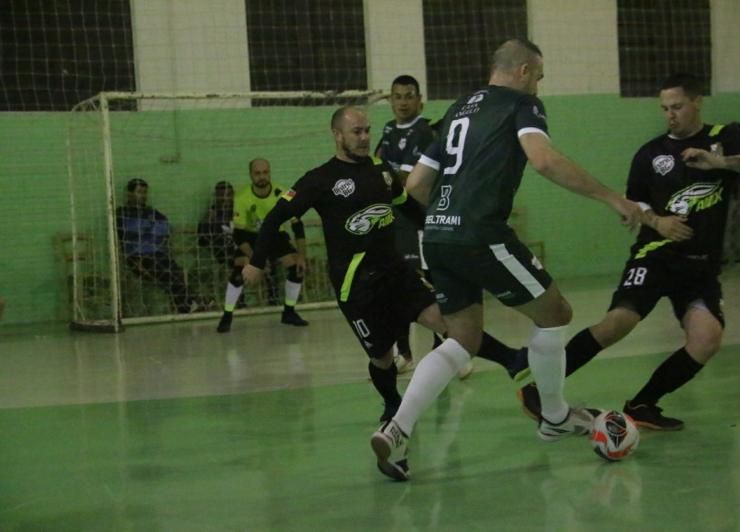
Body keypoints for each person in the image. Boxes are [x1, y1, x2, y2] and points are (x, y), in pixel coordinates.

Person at [370, 38, 642, 481]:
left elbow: (417, 183)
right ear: (522, 72)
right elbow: (544, 160)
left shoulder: (459, 108)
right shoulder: (521, 104)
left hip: (435, 235)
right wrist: (612, 198)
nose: (538, 85)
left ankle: (397, 428)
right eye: (538, 76)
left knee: (462, 336)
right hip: (480, 233)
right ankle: (554, 416)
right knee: (555, 312)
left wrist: (445, 216)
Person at [518, 73, 740, 431]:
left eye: (677, 106)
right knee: (616, 324)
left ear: (697, 101)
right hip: (655, 256)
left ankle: (642, 405)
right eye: (665, 108)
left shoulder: (725, 138)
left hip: (701, 266)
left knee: (707, 339)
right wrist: (658, 222)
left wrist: (720, 163)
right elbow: (635, 202)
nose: (670, 114)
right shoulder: (651, 152)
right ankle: (539, 389)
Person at [243, 106, 527, 430]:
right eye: (357, 132)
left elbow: (408, 208)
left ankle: (513, 360)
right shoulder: (319, 180)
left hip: (396, 273)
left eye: (367, 130)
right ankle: (392, 404)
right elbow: (274, 219)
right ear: (337, 135)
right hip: (356, 286)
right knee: (381, 356)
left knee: (445, 321)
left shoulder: (382, 170)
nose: (365, 138)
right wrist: (256, 261)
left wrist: (445, 231)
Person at [375, 74, 458, 375]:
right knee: (398, 285)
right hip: (395, 222)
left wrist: (384, 176)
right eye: (397, 96)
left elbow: (405, 181)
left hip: (421, 220)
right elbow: (379, 168)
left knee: (429, 286)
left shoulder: (424, 132)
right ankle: (405, 353)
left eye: (409, 96)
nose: (403, 102)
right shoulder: (386, 130)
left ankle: (448, 353)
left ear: (419, 99)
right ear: (391, 100)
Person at [216, 159, 309, 332]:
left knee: (297, 266)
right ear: (251, 175)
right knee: (240, 270)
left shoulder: (285, 193)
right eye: (257, 173)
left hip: (276, 236)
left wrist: (302, 255)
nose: (262, 177)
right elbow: (239, 234)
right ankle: (227, 315)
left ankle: (289, 312)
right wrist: (255, 260)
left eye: (265, 172)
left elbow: (298, 226)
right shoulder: (242, 197)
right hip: (251, 238)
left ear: (270, 173)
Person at [116, 178, 206, 314]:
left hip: (157, 254)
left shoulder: (151, 211)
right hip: (136, 257)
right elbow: (130, 232)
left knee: (175, 271)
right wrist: (149, 227)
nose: (143, 195)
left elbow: (166, 228)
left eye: (145, 192)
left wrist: (145, 228)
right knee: (169, 273)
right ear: (129, 193)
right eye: (139, 192)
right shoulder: (121, 213)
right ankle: (191, 302)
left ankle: (187, 306)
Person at [197, 180, 237, 267]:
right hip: (223, 255)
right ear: (216, 196)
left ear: (233, 195)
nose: (224, 198)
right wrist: (208, 220)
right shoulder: (212, 214)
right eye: (221, 195)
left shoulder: (240, 210)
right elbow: (202, 240)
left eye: (228, 195)